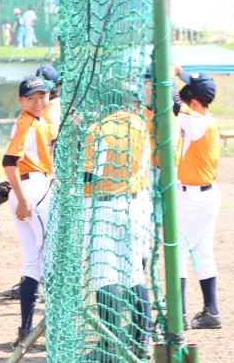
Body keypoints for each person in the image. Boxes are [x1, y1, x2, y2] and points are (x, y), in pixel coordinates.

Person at [81, 87, 153, 360]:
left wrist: (72, 167)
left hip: (104, 206)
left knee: (104, 276)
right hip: (136, 205)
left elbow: (92, 174)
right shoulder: (140, 125)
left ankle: (110, 345)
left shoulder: (98, 128)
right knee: (134, 274)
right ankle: (141, 341)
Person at [170, 64, 223, 330]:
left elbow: (174, 104)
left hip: (195, 199)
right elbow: (183, 102)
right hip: (204, 196)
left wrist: (168, 79)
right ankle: (211, 312)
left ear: (194, 102)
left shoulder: (199, 123)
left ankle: (178, 316)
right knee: (202, 254)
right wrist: (179, 73)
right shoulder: (204, 120)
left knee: (177, 252)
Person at [2, 76, 52, 347]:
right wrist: (22, 198)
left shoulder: (36, 121)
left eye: (42, 96)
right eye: (31, 98)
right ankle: (55, 326)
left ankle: (25, 330)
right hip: (32, 190)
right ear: (21, 100)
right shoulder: (27, 122)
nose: (38, 102)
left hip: (29, 189)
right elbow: (9, 161)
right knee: (51, 258)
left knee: (33, 263)